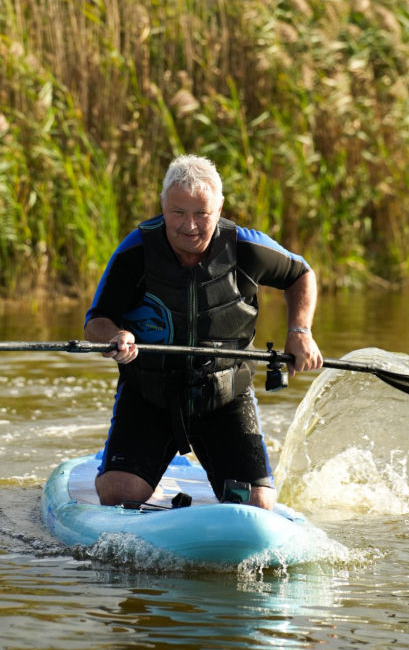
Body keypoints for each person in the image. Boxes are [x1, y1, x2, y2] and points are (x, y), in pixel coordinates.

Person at [84, 154, 323, 511]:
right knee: (118, 495)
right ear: (164, 206)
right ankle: (132, 469)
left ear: (220, 207)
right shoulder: (135, 252)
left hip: (226, 398)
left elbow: (301, 274)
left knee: (256, 505)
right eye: (178, 212)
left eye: (202, 214)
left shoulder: (247, 247)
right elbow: (96, 321)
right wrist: (116, 337)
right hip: (150, 396)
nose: (190, 225)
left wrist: (300, 330)